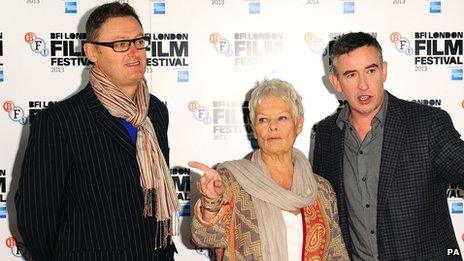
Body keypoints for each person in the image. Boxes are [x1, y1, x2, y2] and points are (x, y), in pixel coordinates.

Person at [15, 2, 179, 260]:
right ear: (91, 52)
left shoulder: (156, 112)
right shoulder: (59, 121)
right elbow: (36, 218)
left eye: (139, 41)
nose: (134, 52)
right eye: (120, 44)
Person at [310, 32, 464, 260]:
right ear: (336, 81)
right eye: (351, 75)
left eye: (371, 70)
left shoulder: (427, 123)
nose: (363, 85)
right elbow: (323, 209)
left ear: (384, 71)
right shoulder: (326, 134)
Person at [190, 79, 349, 261]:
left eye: (282, 118)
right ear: (255, 129)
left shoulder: (321, 190)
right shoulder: (231, 181)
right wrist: (211, 203)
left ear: (298, 124)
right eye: (263, 120)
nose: (273, 126)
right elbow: (204, 238)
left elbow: (336, 252)